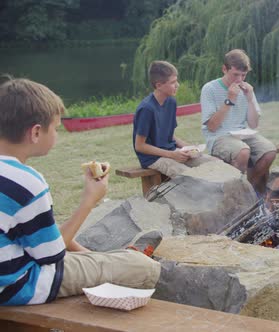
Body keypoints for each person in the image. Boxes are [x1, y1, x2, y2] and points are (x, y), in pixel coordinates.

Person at [0, 78, 161, 306]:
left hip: (14, 269)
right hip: (19, 287)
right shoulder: (26, 181)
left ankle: (111, 257)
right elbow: (52, 256)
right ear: (36, 132)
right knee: (144, 267)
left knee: (98, 259)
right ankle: (130, 259)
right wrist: (89, 201)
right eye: (55, 128)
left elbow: (32, 237)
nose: (57, 134)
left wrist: (89, 255)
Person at [200, 49, 277, 195]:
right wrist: (229, 100)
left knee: (269, 151)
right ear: (224, 69)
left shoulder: (246, 89)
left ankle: (247, 191)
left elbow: (254, 124)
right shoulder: (209, 89)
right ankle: (235, 195)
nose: (239, 79)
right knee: (243, 152)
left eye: (243, 75)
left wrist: (249, 99)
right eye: (235, 74)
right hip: (218, 136)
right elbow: (211, 127)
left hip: (242, 134)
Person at [134, 60, 216, 178]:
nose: (177, 85)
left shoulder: (171, 102)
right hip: (153, 159)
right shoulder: (147, 109)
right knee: (190, 177)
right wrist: (172, 155)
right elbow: (140, 146)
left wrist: (189, 148)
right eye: (173, 82)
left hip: (172, 151)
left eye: (176, 80)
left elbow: (168, 135)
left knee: (215, 165)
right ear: (159, 85)